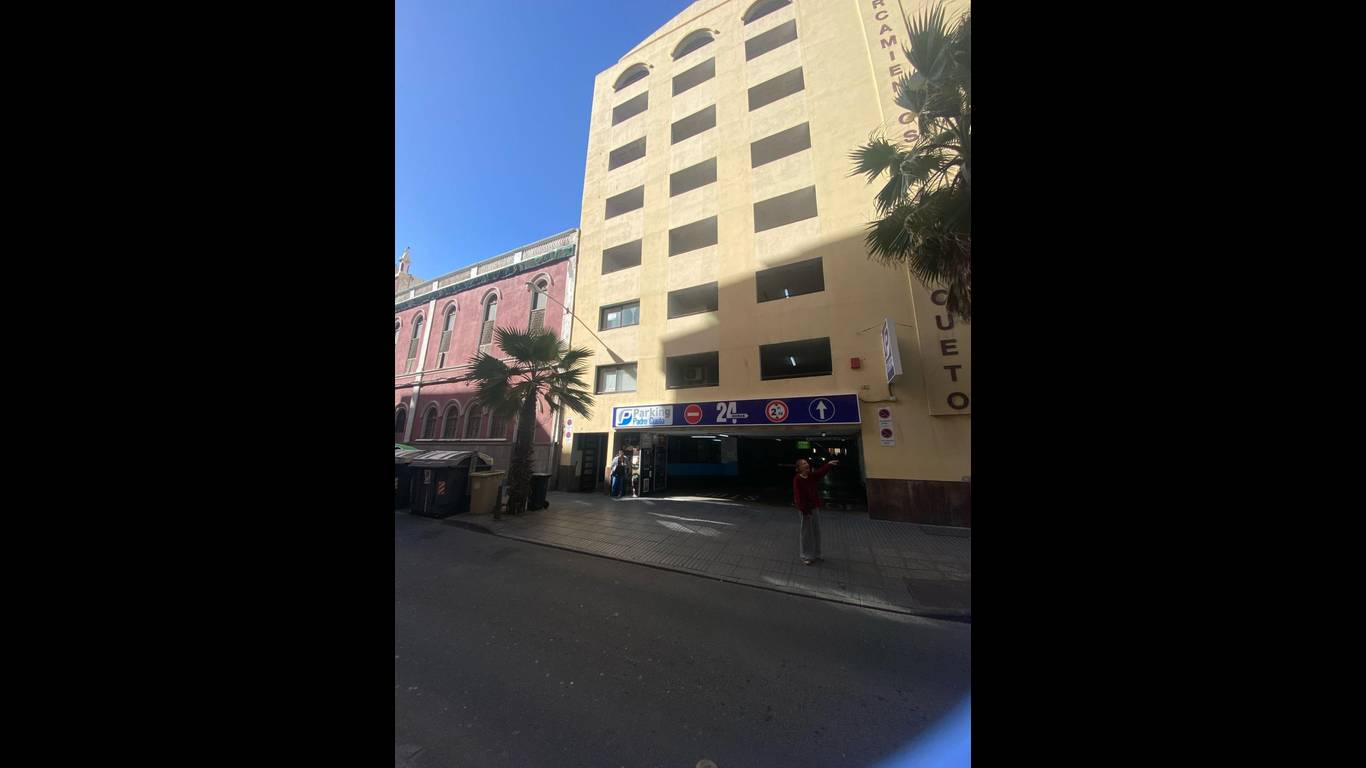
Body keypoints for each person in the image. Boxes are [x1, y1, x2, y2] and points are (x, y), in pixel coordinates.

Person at [793, 457, 838, 565]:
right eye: (803, 463)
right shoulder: (797, 479)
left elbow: (820, 473)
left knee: (816, 531)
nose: (807, 464)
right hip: (806, 510)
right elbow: (798, 497)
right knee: (806, 533)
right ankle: (806, 556)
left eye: (806, 463)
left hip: (814, 508)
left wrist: (828, 464)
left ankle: (817, 554)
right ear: (799, 468)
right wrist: (805, 511)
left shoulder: (810, 476)